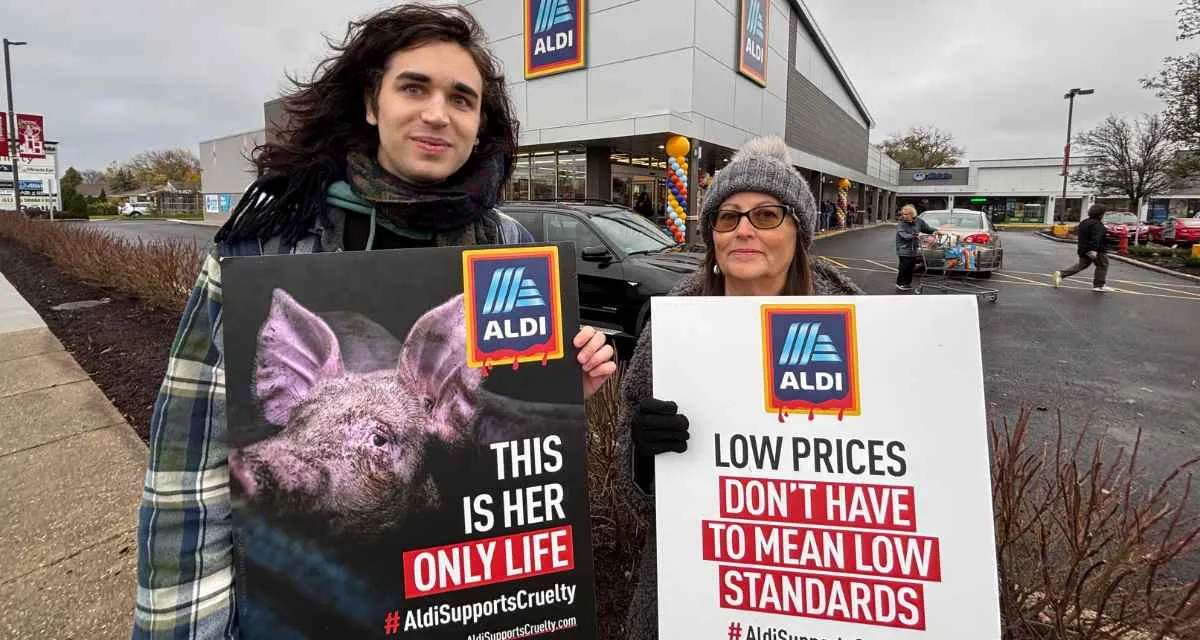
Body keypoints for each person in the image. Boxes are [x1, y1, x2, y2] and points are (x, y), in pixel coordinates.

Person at [132, 5, 617, 637]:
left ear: (479, 125)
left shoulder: (508, 249)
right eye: (413, 87)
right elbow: (186, 482)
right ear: (371, 103)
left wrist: (565, 387)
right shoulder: (262, 246)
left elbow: (510, 448)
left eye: (461, 99)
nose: (437, 114)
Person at [614, 135, 863, 640]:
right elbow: (634, 492)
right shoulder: (673, 325)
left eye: (766, 216)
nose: (744, 230)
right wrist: (644, 455)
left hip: (819, 583)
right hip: (697, 582)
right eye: (727, 218)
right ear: (712, 238)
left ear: (799, 233)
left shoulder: (857, 320)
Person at [1053, 203, 1114, 292]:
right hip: (1097, 250)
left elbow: (1079, 234)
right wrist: (1094, 250)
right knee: (1102, 265)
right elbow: (1096, 238)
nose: (1104, 215)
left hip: (1084, 249)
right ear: (1101, 214)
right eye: (1104, 213)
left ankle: (1061, 274)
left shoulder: (1084, 222)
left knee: (1082, 265)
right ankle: (1099, 285)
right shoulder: (1097, 224)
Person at [895, 204, 937, 291]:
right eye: (903, 214)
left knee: (911, 266)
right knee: (905, 265)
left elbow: (927, 229)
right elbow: (903, 235)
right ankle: (900, 283)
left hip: (914, 248)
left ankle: (907, 283)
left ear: (912, 214)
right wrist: (913, 235)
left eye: (906, 214)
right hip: (903, 248)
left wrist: (936, 230)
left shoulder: (919, 221)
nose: (904, 216)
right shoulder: (901, 223)